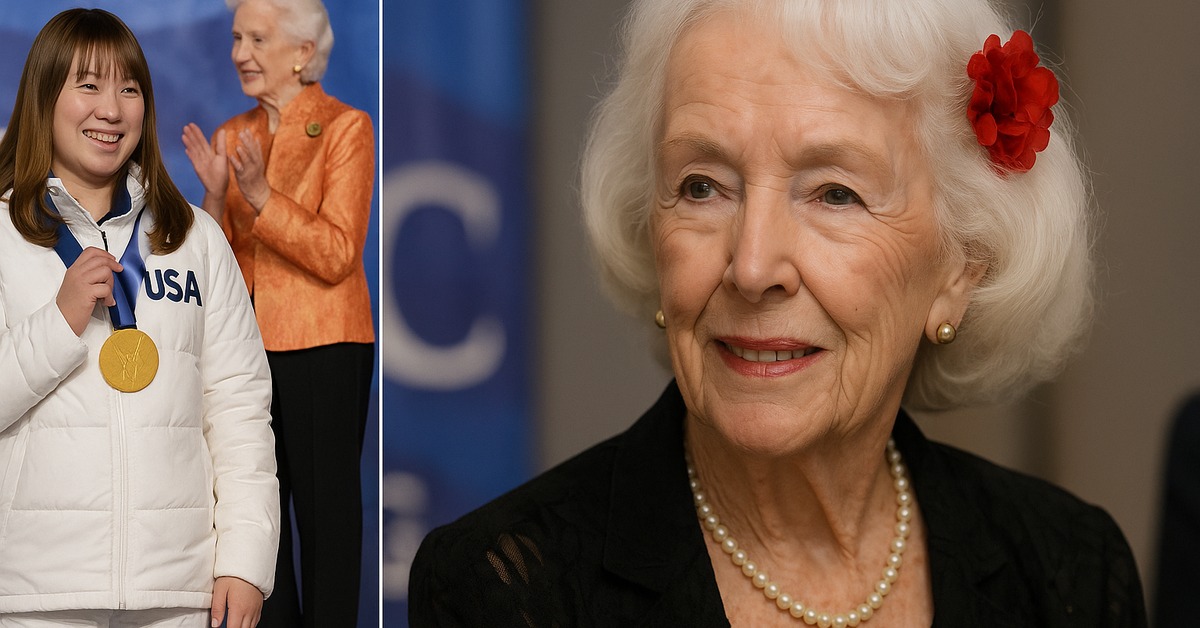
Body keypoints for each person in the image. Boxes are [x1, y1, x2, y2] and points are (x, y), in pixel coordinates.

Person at [409, 0, 1147, 625]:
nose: (752, 266)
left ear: (960, 269)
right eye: (702, 187)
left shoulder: (1070, 572)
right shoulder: (507, 588)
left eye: (834, 193)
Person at [0, 8, 278, 628]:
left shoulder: (196, 240)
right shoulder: (3, 233)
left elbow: (240, 412)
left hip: (176, 595)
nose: (112, 108)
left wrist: (245, 561)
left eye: (129, 88)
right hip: (35, 596)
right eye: (89, 85)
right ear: (44, 97)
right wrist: (61, 320)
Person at [181, 0, 375, 625]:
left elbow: (337, 253)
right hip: (247, 352)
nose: (240, 52)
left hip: (325, 345)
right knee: (258, 514)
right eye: (237, 38)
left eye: (257, 39)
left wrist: (262, 197)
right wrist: (215, 194)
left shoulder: (347, 129)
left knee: (326, 517)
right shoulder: (232, 136)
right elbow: (218, 271)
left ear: (300, 52)